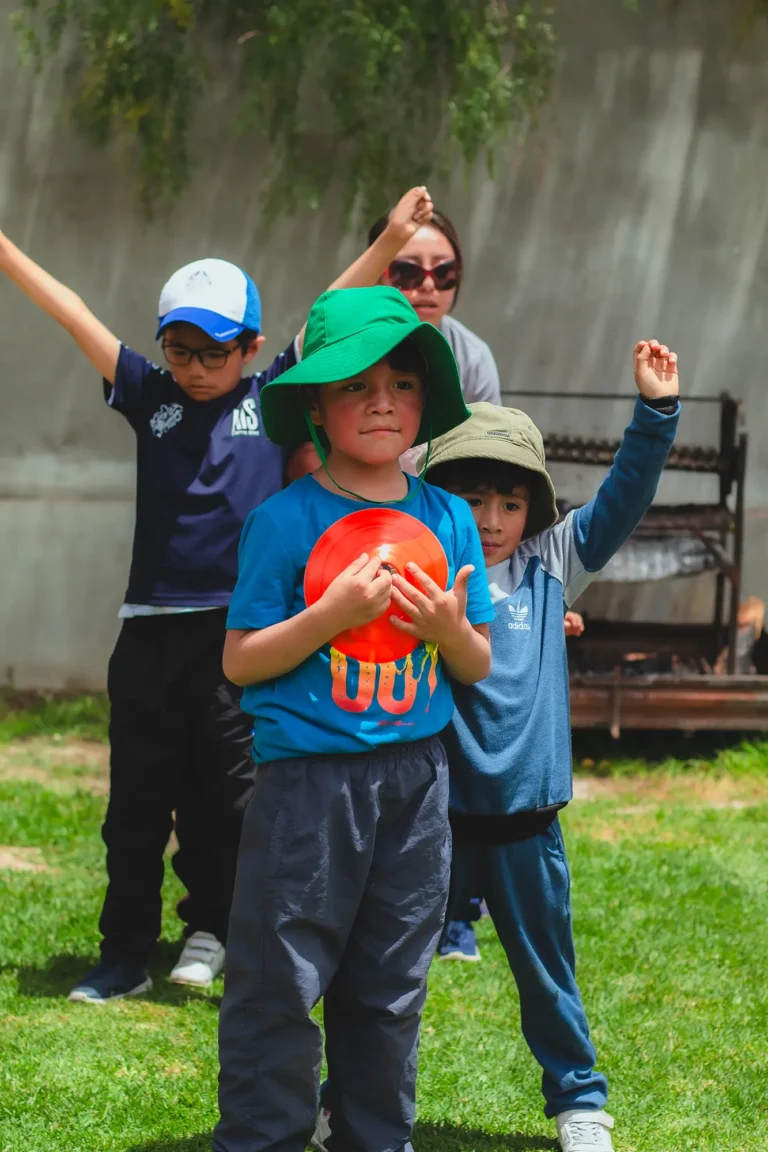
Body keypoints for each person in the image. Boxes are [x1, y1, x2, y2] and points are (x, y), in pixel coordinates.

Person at [0, 187, 434, 1003]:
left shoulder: (270, 401)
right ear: (163, 348)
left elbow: (330, 304)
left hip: (237, 639)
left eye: (216, 351)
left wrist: (395, 241)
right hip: (149, 634)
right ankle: (123, 952)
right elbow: (73, 314)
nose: (197, 368)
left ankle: (213, 931)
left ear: (252, 348)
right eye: (182, 349)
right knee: (135, 802)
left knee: (227, 800)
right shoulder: (148, 394)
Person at [214, 285, 494, 1152]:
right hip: (307, 787)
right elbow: (240, 658)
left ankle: (375, 1135)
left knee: (390, 980)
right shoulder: (285, 520)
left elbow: (477, 662)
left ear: (425, 402)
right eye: (355, 385)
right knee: (281, 974)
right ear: (317, 408)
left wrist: (450, 631)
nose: (382, 402)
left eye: (402, 384)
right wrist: (329, 617)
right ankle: (264, 1134)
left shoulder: (448, 517)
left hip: (415, 785)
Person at [420, 341, 680, 1152]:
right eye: (472, 498)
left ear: (531, 508)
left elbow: (622, 501)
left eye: (509, 501)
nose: (492, 520)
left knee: (548, 979)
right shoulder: (421, 569)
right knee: (388, 977)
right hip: (431, 821)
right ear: (437, 500)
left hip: (528, 825)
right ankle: (349, 1094)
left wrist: (656, 415)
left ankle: (580, 1104)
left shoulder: (552, 564)